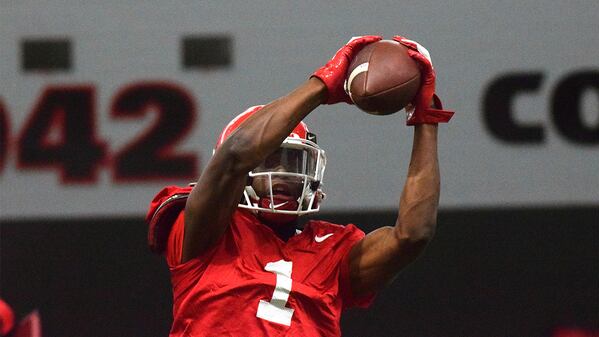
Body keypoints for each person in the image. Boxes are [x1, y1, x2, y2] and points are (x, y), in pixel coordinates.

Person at [146, 35, 453, 337]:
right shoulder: (203, 231)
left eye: (292, 163)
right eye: (269, 160)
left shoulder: (331, 249)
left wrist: (426, 120)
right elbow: (235, 157)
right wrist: (323, 84)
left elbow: (413, 235)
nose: (283, 174)